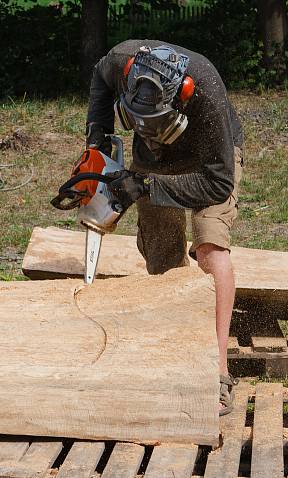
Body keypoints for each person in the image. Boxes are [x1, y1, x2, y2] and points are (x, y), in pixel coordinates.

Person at [85, 39, 244, 415]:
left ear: (179, 100)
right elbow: (99, 78)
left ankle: (217, 370)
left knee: (211, 246)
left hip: (210, 162)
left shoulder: (205, 91)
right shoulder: (121, 62)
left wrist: (144, 185)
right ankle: (178, 343)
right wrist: (97, 142)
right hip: (154, 161)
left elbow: (220, 182)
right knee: (160, 249)